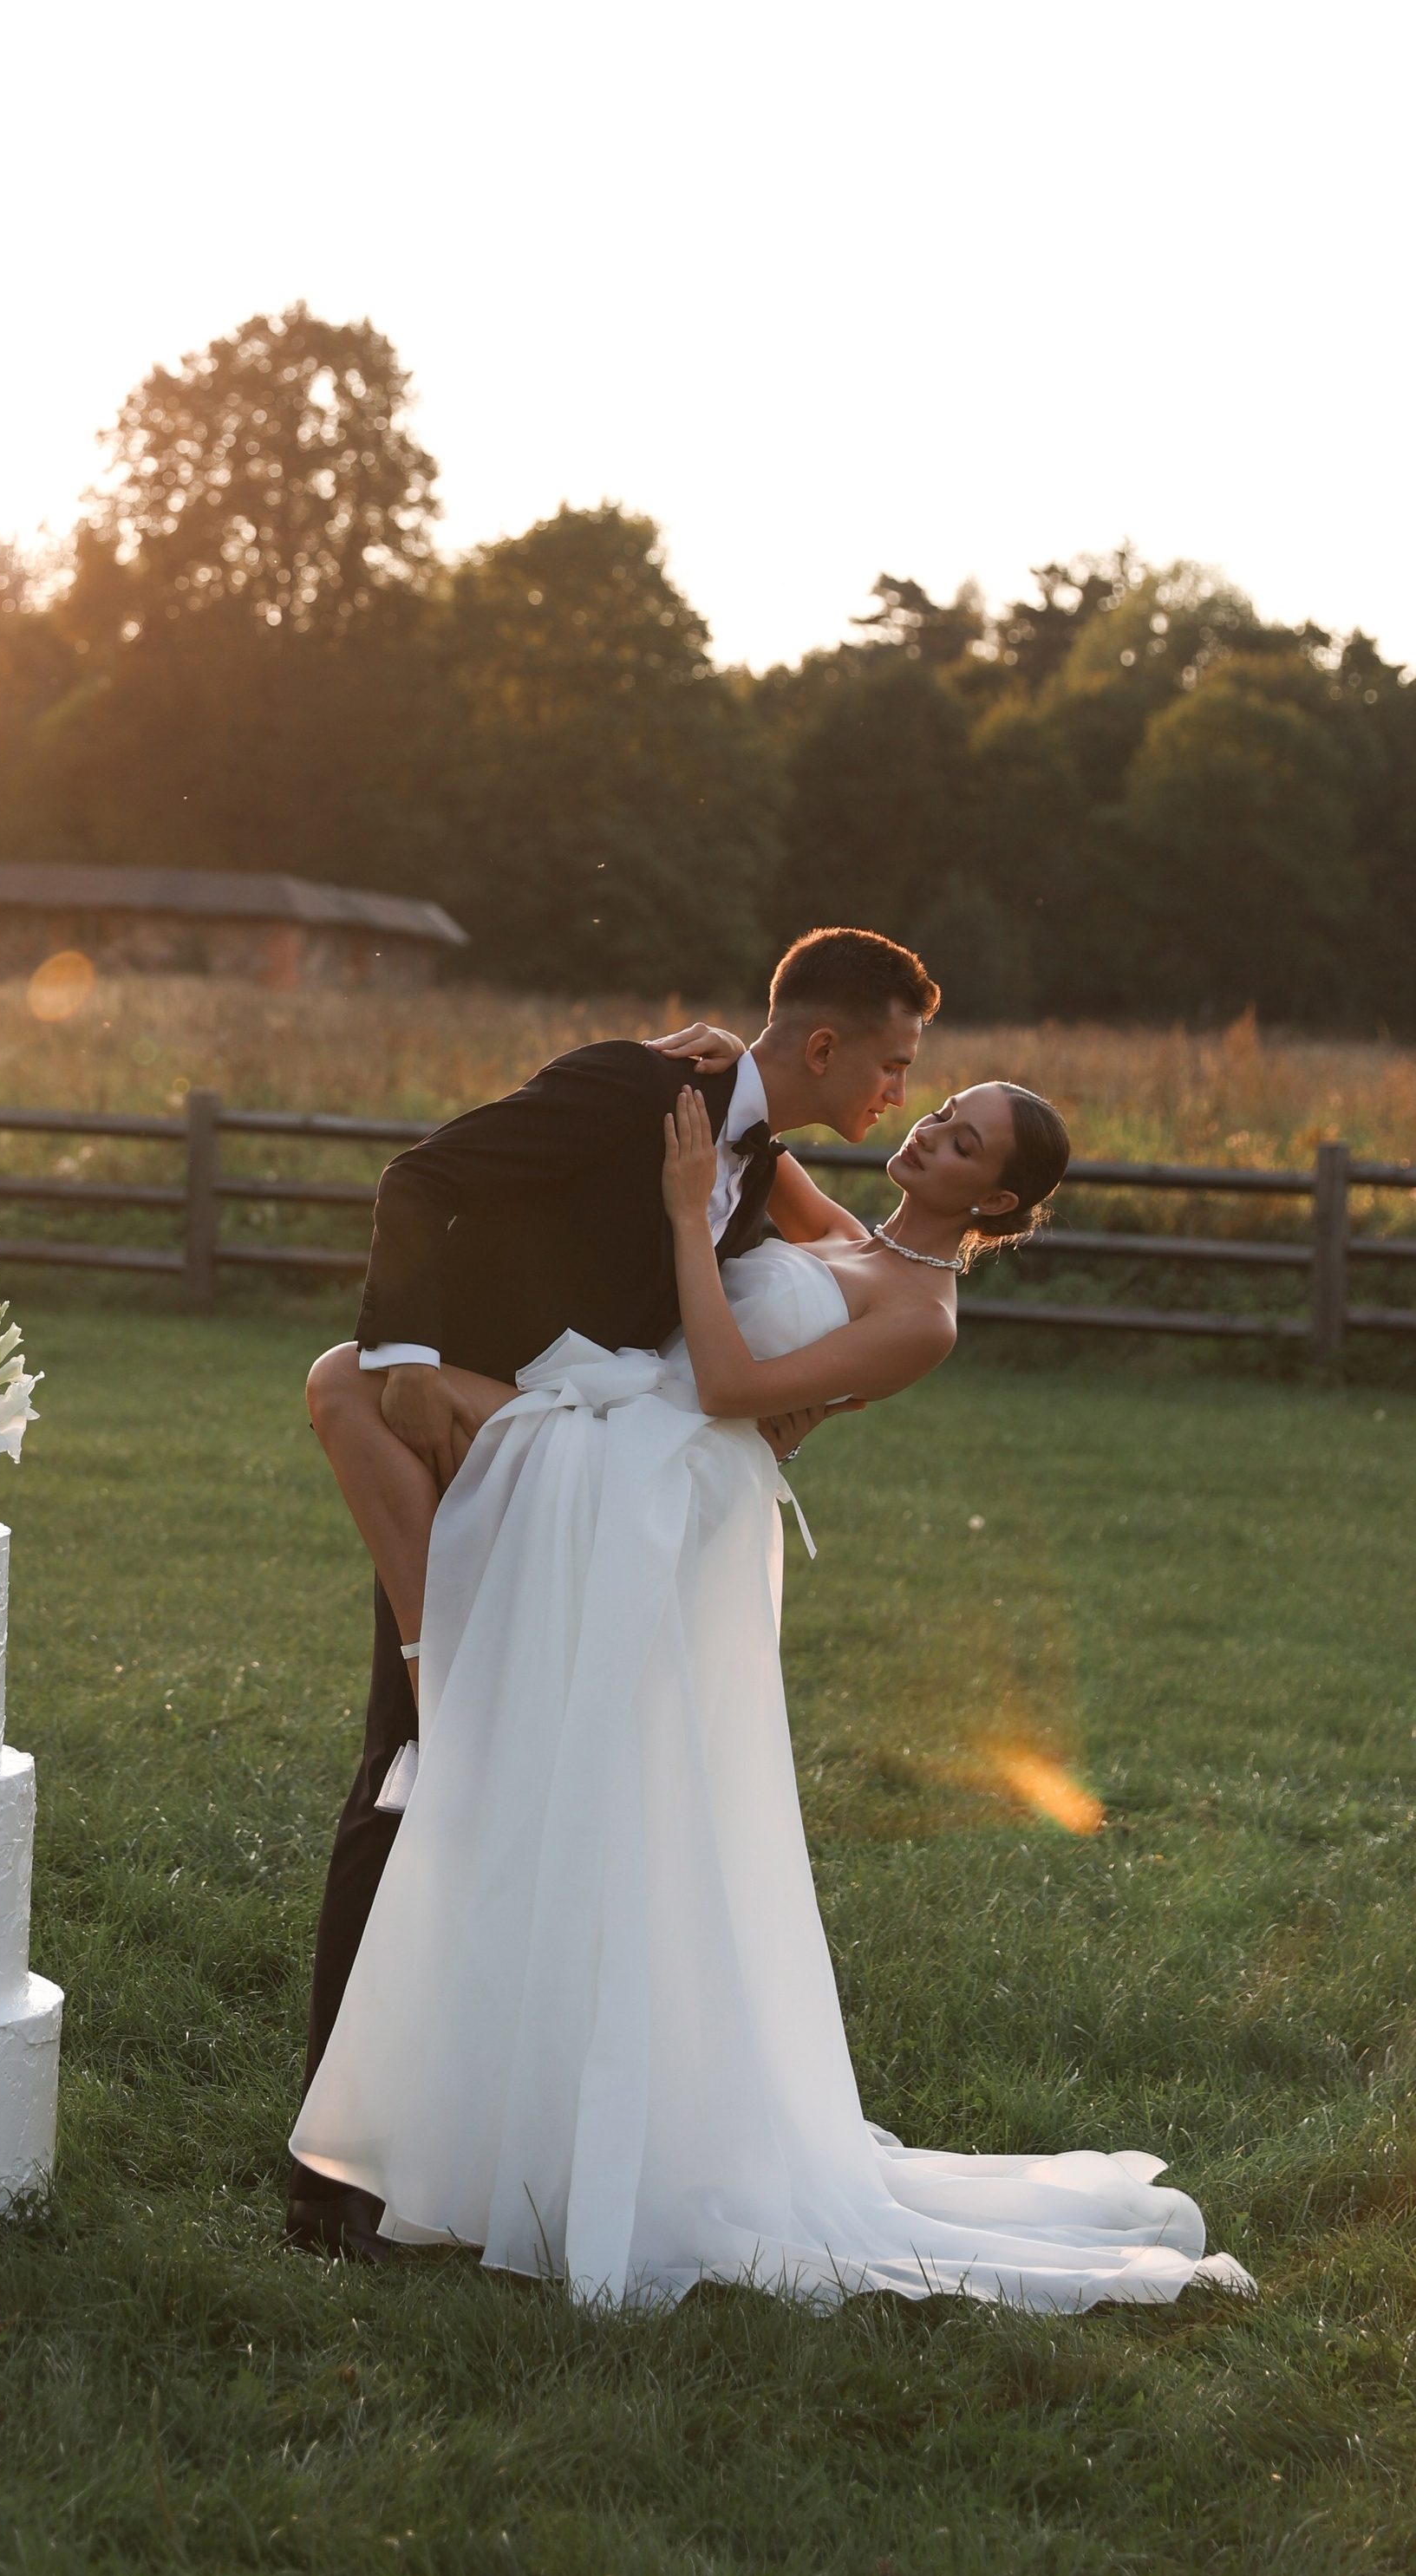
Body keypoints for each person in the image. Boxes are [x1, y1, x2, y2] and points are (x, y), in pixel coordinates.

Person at [291, 1066, 1254, 2308]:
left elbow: (739, 1387)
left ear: (997, 1197)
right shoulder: (841, 1231)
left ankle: (441, 1693)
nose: (925, 1132)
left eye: (960, 1142)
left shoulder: (925, 1317)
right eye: (933, 1110)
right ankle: (446, 1704)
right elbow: (747, 1125)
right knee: (349, 1389)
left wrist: (690, 1220)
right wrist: (696, 1056)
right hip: (623, 1432)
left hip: (668, 1476)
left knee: (340, 1382)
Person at [285, 924, 941, 2259]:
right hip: (462, 1449)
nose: (902, 1091)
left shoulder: (755, 1169)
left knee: (553, 1816)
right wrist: (407, 1350)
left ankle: (485, 2140)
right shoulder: (643, 1092)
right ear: (824, 1044)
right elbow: (425, 1175)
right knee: (411, 1775)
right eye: (895, 1062)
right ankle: (335, 2181)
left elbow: (821, 1291)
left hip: (603, 1500)